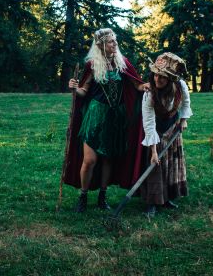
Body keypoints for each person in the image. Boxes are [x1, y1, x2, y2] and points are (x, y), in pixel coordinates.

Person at [64, 28, 150, 213]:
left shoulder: (122, 62)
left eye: (115, 40)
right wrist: (74, 88)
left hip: (115, 117)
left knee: (108, 159)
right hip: (95, 116)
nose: (115, 43)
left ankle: (102, 197)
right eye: (111, 41)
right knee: (90, 160)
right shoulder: (92, 64)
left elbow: (137, 84)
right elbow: (83, 91)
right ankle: (83, 196)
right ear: (101, 45)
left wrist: (146, 86)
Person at [140, 52, 192, 216]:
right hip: (156, 130)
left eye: (162, 77)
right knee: (155, 165)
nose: (157, 79)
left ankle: (167, 198)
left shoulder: (180, 86)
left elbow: (186, 103)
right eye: (156, 75)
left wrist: (183, 120)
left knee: (171, 165)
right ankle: (152, 202)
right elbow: (148, 122)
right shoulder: (149, 93)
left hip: (173, 128)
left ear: (170, 79)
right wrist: (154, 151)